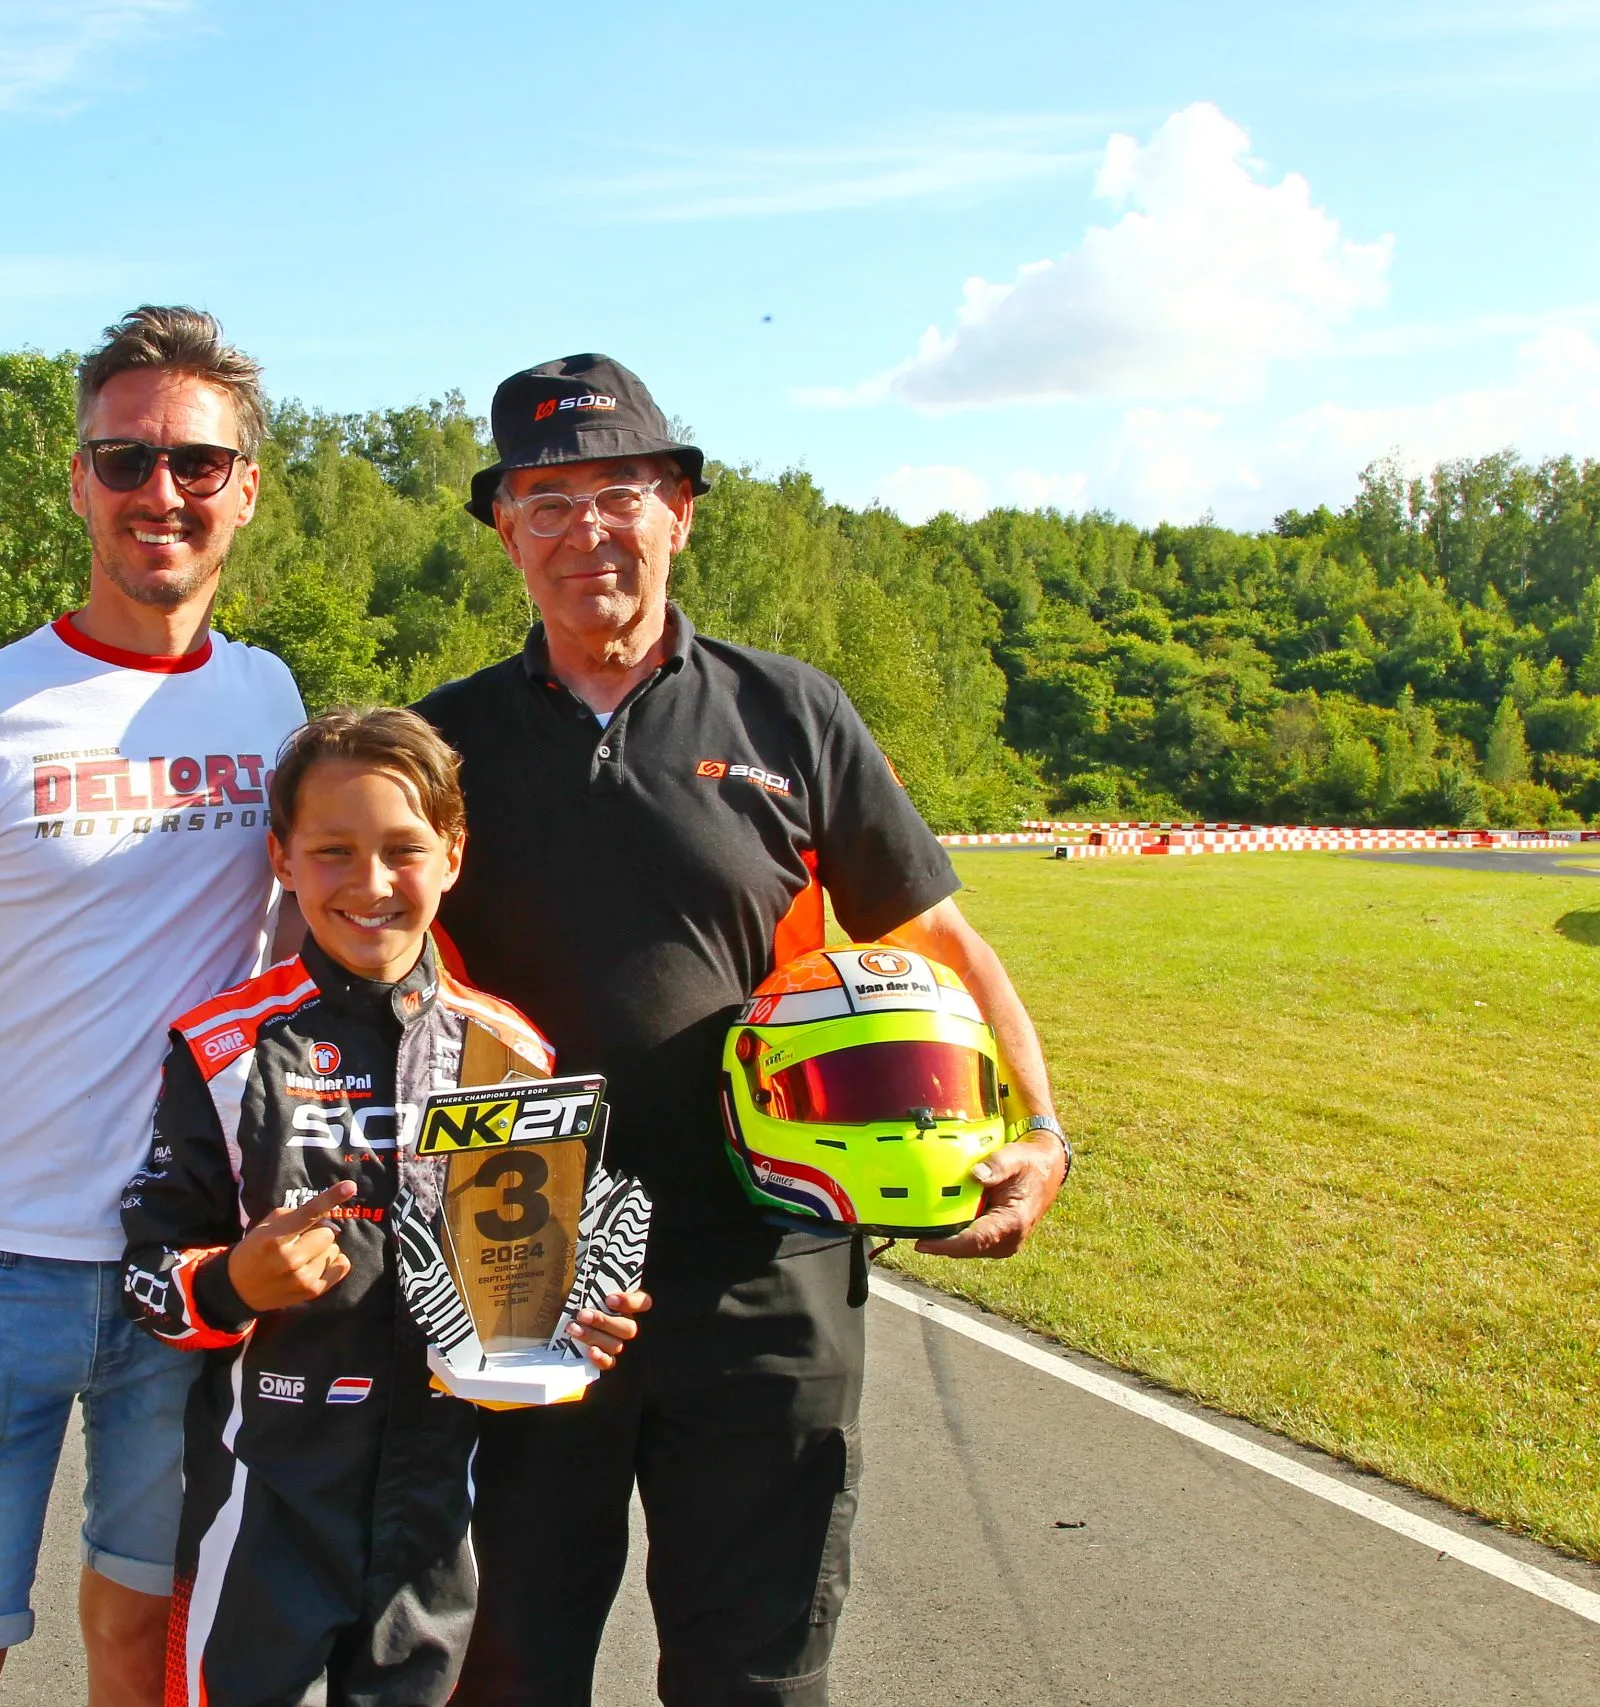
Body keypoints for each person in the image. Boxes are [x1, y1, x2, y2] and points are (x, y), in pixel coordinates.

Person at [416, 354, 1071, 1707]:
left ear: (680, 508)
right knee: (513, 1670)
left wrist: (1041, 1129)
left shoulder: (792, 709)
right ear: (503, 528)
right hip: (526, 1248)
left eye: (618, 492)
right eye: (546, 499)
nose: (585, 528)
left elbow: (940, 942)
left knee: (757, 1675)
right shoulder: (443, 742)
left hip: (771, 1254)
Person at [0, 306, 306, 1707]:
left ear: (247, 486)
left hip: (192, 1268)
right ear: (77, 479)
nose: (161, 492)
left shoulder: (271, 696)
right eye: (125, 459)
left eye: (197, 463)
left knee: (148, 1638)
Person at [119, 708, 650, 1707]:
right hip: (265, 1490)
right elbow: (146, 1273)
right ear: (281, 858)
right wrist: (233, 1281)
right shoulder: (224, 1048)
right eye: (333, 852)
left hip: (435, 1509)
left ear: (451, 855)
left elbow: (528, 1291)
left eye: (403, 851)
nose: (369, 885)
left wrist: (578, 1322)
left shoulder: (511, 1053)